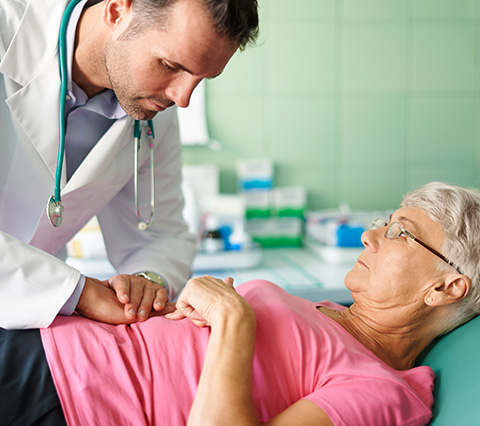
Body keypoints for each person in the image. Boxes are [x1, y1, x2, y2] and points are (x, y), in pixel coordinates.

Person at [2, 181, 480, 425]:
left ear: (444, 288)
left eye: (400, 233)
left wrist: (231, 317)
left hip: (66, 396)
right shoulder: (335, 314)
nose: (370, 235)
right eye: (384, 220)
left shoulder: (386, 392)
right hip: (53, 336)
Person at [0, 0, 259, 329]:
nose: (182, 98)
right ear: (117, 11)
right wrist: (80, 293)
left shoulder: (150, 111)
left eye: (200, 78)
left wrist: (146, 282)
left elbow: (159, 235)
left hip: (37, 328)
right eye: (169, 64)